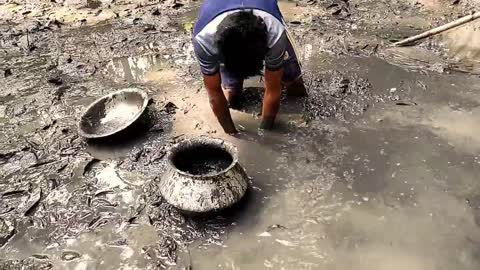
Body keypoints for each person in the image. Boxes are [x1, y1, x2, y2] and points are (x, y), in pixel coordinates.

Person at [192, 0, 307, 134]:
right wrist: (231, 133)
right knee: (231, 96)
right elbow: (214, 93)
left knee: (295, 86)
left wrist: (265, 131)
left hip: (263, 20)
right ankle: (232, 86)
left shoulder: (274, 33)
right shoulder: (204, 41)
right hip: (223, 36)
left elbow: (273, 89)